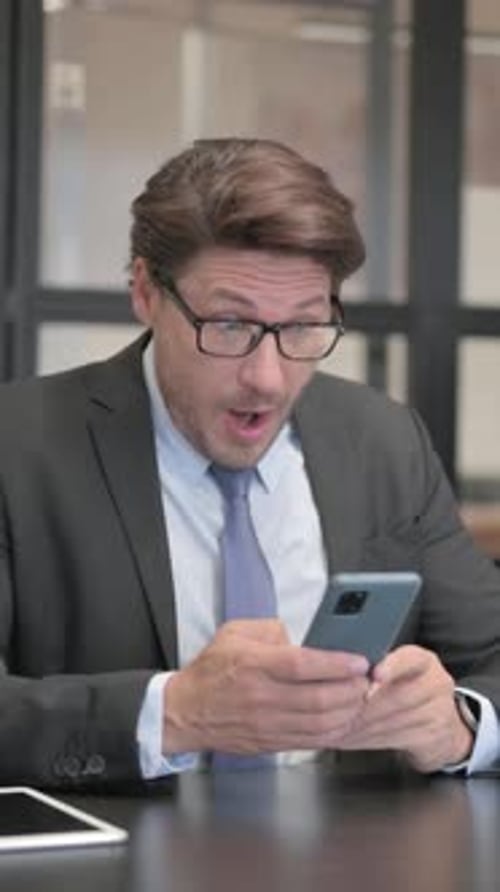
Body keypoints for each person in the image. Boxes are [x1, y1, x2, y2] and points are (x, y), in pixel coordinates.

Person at [0, 137, 499, 791]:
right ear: (146, 292)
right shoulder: (18, 443)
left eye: (302, 328)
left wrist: (460, 724)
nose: (268, 379)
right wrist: (175, 714)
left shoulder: (384, 441)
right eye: (230, 326)